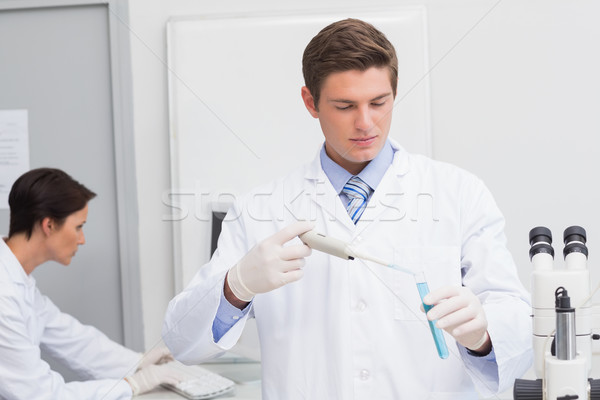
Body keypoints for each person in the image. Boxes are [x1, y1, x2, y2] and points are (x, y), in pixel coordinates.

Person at [163, 18, 532, 399]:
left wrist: (484, 336)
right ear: (311, 102)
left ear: (395, 92)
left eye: (379, 102)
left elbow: (514, 320)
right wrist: (235, 286)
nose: (365, 123)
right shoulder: (261, 209)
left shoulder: (459, 193)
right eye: (345, 106)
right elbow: (181, 341)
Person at [0, 168, 183, 399]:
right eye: (78, 227)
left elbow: (70, 337)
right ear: (49, 225)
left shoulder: (16, 279)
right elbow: (39, 395)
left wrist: (137, 363)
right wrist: (131, 385)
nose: (82, 239)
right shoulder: (4, 293)